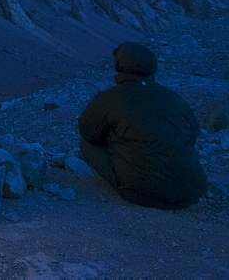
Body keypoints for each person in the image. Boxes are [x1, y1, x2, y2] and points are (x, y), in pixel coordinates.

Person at [78, 42, 208, 210]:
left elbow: (89, 133)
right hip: (190, 193)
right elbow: (193, 135)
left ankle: (135, 180)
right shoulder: (174, 98)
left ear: (119, 66)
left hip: (141, 194)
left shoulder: (110, 98)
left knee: (87, 145)